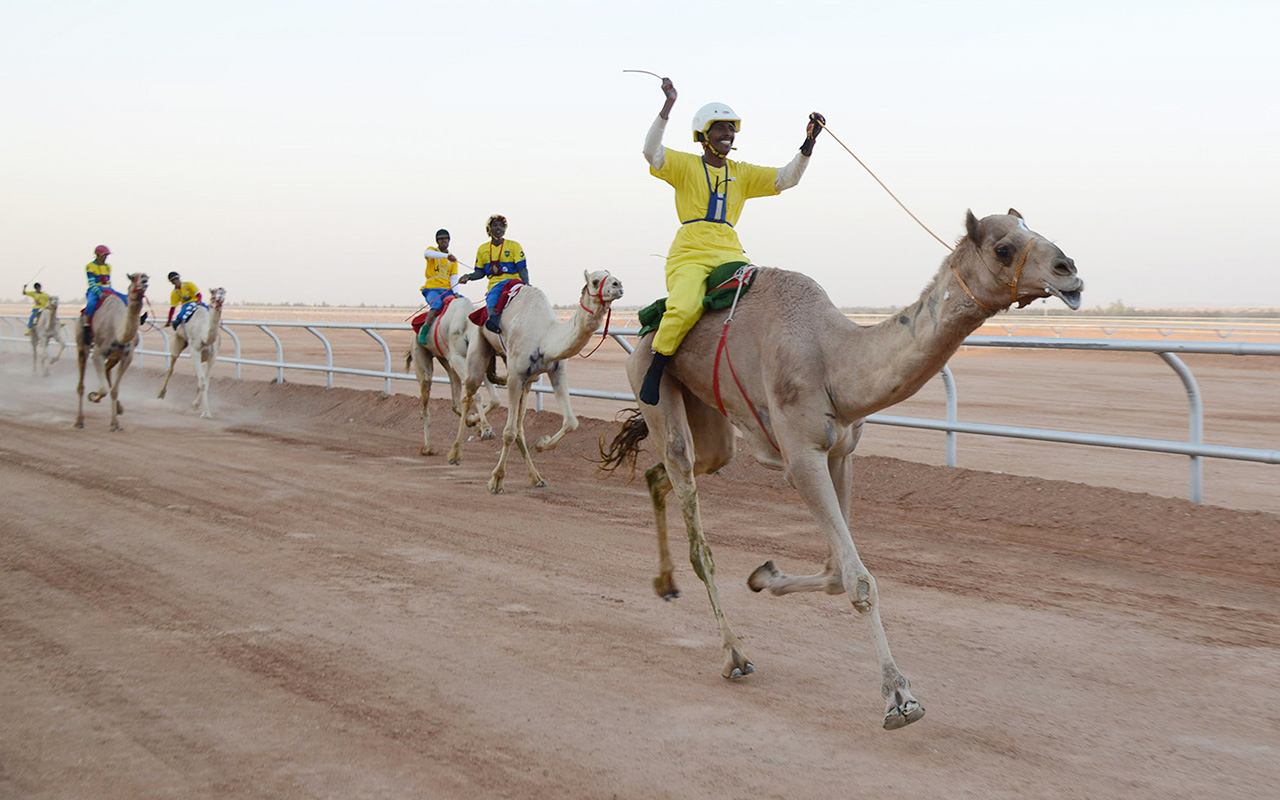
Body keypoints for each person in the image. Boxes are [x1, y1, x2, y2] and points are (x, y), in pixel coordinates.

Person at [637, 77, 824, 404]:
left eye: (731, 129)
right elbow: (651, 152)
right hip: (690, 251)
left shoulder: (743, 172)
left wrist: (808, 143)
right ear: (703, 136)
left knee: (759, 294)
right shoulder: (684, 165)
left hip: (729, 250)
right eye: (720, 128)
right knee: (685, 307)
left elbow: (786, 178)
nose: (728, 134)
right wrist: (668, 106)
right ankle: (656, 366)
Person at [458, 215, 528, 333]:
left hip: (513, 282)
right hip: (495, 285)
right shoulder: (482, 249)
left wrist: (526, 284)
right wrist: (468, 277)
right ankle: (493, 322)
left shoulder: (514, 246)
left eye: (501, 225)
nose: (498, 228)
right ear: (489, 229)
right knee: (491, 299)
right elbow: (480, 272)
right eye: (495, 225)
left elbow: (522, 268)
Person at [82, 244, 124, 345]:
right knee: (91, 304)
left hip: (107, 289)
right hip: (94, 290)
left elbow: (108, 281)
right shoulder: (90, 266)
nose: (105, 257)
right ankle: (87, 325)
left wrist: (110, 291)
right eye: (104, 255)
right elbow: (91, 283)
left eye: (106, 255)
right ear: (98, 255)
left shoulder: (108, 267)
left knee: (124, 298)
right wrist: (98, 293)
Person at [420, 228, 460, 331]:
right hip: (432, 289)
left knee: (462, 303)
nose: (444, 241)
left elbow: (453, 277)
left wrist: (456, 292)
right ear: (437, 241)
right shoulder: (433, 251)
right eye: (441, 239)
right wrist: (447, 256)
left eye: (446, 239)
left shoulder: (453, 260)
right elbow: (427, 253)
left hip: (447, 290)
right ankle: (424, 331)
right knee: (436, 305)